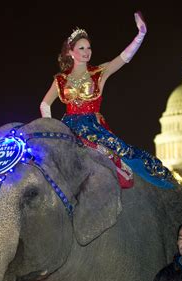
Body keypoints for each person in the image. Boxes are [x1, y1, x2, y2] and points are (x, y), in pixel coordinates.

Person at [39, 12, 173, 189]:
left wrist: (140, 35)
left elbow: (124, 58)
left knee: (123, 153)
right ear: (70, 52)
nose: (87, 52)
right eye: (81, 48)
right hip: (68, 127)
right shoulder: (60, 79)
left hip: (93, 127)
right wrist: (50, 127)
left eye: (89, 48)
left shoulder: (99, 72)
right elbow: (45, 104)